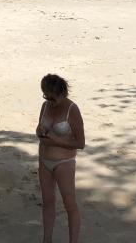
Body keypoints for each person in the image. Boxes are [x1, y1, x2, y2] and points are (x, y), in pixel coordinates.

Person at [36, 73, 85, 243]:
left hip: (64, 162)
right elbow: (39, 127)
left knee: (69, 204)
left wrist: (57, 140)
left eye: (52, 98)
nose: (49, 100)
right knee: (48, 202)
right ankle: (46, 239)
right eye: (46, 97)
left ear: (61, 93)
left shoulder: (73, 110)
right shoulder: (45, 106)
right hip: (44, 160)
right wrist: (40, 133)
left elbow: (80, 143)